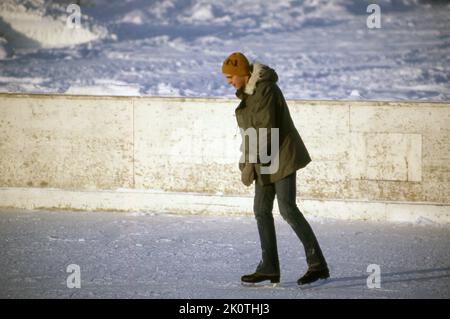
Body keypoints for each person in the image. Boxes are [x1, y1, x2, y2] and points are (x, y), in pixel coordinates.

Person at [221, 52, 330, 285]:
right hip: (265, 156)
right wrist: (246, 159)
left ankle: (318, 265)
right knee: (261, 209)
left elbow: (267, 129)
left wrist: (251, 161)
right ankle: (269, 267)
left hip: (282, 153)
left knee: (287, 208)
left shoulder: (265, 89)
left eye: (231, 77)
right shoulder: (249, 93)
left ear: (242, 74)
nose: (228, 81)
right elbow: (250, 132)